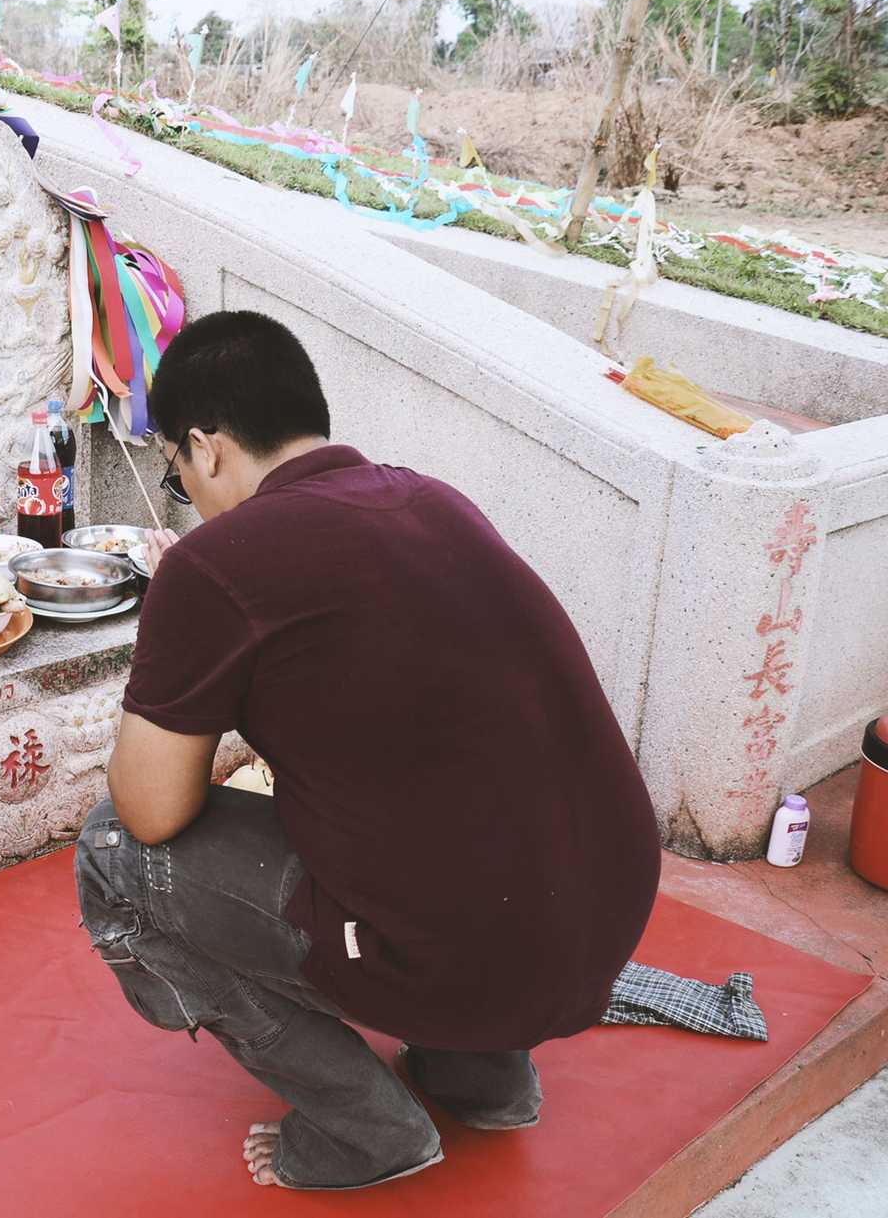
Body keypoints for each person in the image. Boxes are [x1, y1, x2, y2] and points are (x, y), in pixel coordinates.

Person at [78, 310, 661, 1190]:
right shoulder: (434, 499)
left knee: (110, 853)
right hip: (601, 921)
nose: (186, 496)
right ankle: (487, 1078)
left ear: (205, 448)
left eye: (174, 474)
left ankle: (364, 1128)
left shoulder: (213, 565)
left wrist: (175, 627)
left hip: (461, 945)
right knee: (442, 826)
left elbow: (151, 808)